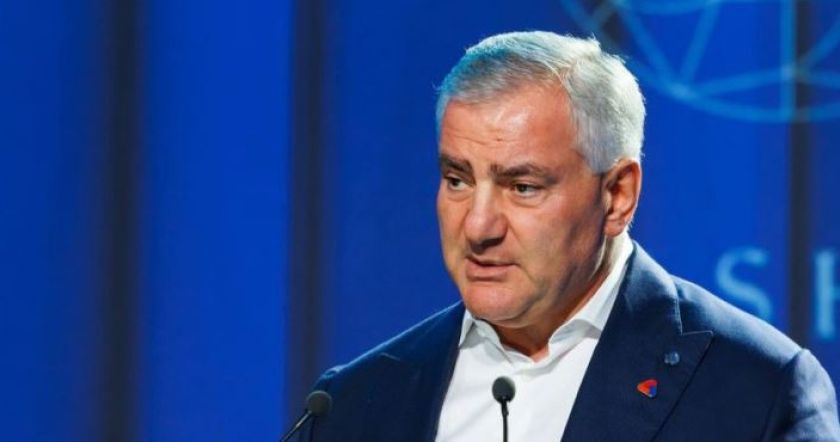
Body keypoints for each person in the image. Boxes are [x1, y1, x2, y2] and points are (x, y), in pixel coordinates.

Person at [298, 31, 840, 441]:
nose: (478, 227)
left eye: (522, 187)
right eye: (457, 180)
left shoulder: (758, 392)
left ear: (617, 195)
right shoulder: (352, 403)